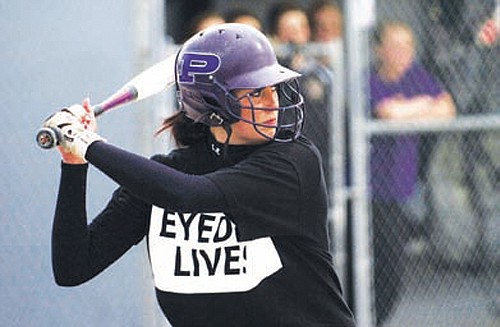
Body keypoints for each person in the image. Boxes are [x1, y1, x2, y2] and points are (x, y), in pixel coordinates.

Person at [42, 23, 356, 327]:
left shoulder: (292, 161)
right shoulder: (164, 175)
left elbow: (190, 196)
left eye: (273, 88)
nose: (273, 101)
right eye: (257, 92)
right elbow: (73, 267)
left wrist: (87, 144)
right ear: (214, 104)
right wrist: (73, 164)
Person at [369, 20, 456, 326]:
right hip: (373, 191)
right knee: (380, 267)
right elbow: (387, 114)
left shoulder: (416, 76)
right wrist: (423, 105)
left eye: (408, 45)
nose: (403, 52)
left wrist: (410, 106)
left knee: (394, 269)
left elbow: (447, 109)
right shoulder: (370, 78)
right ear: (379, 49)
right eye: (395, 45)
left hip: (404, 187)